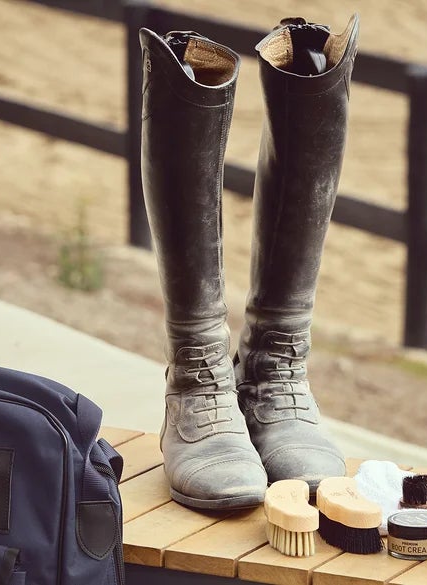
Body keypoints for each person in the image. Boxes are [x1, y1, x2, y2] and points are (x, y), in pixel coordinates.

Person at [138, 14, 360, 509]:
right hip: (197, 383)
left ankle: (272, 369)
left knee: (312, 83)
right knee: (187, 93)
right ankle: (198, 380)